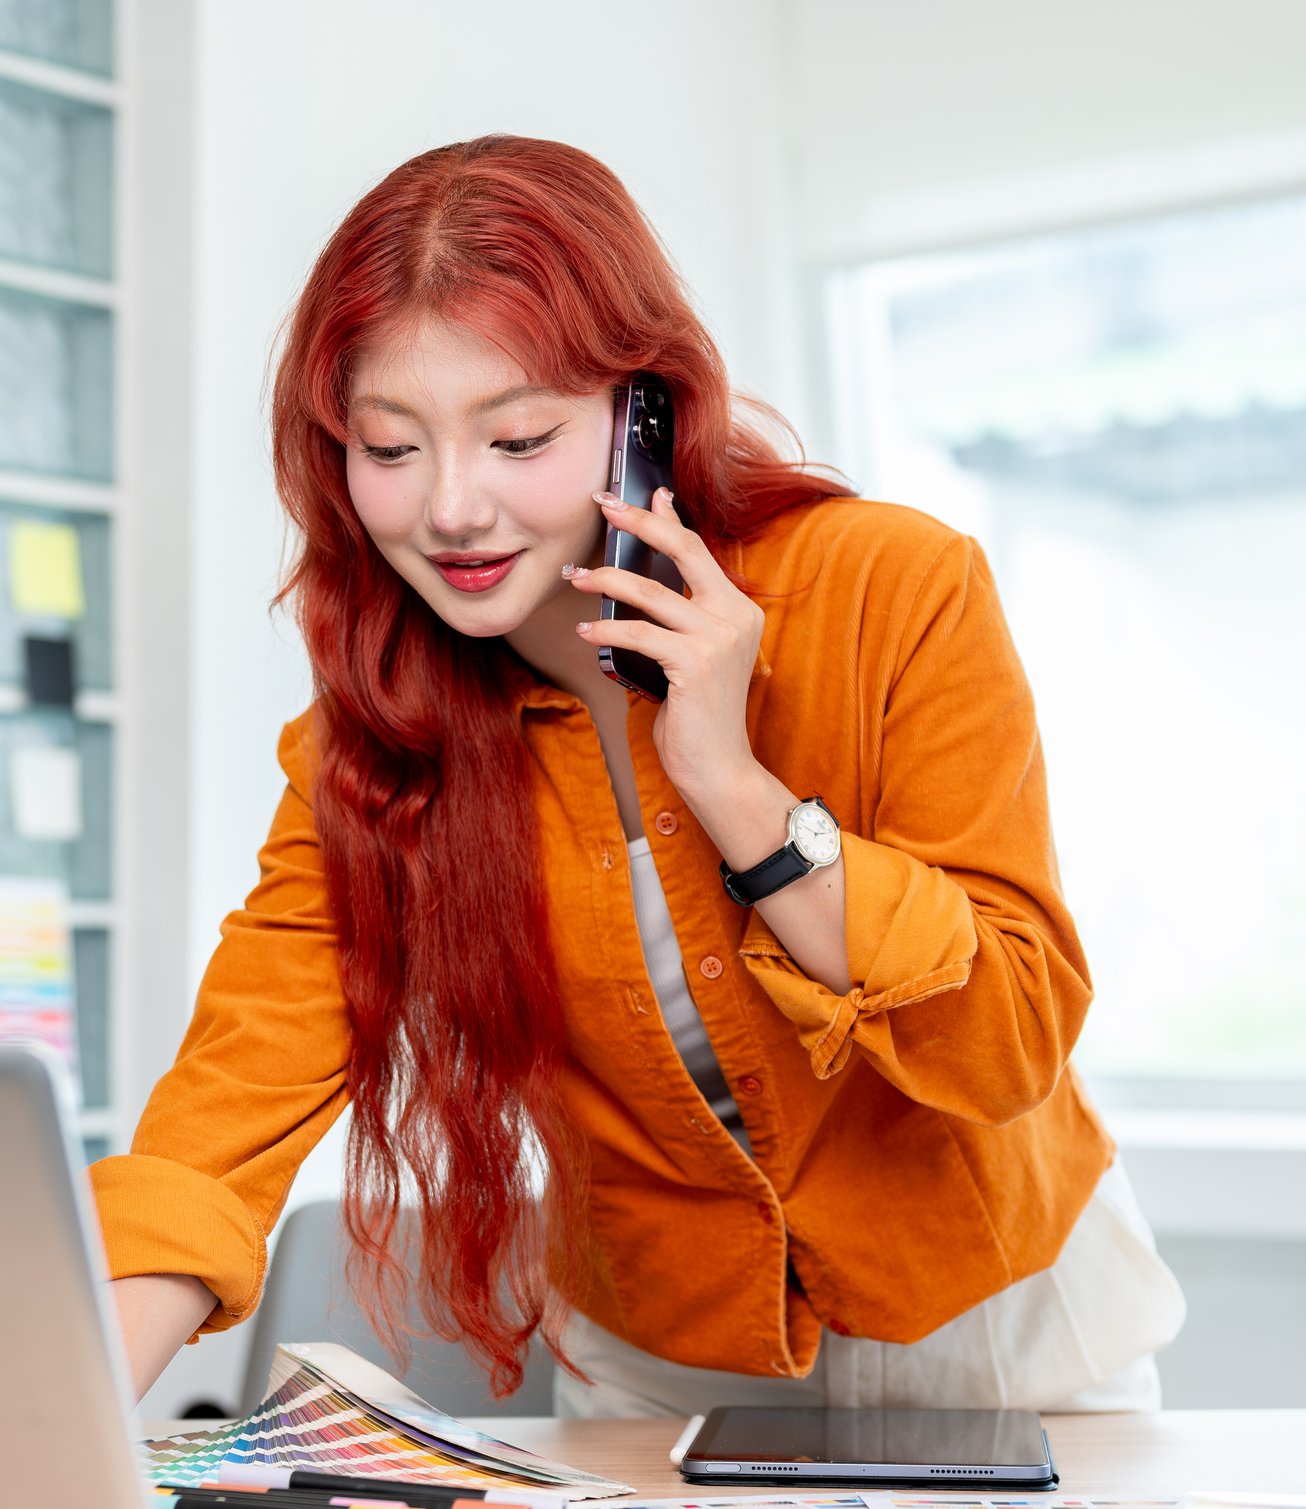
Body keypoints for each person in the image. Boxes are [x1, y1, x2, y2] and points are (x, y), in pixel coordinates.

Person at [91, 134, 1185, 1419]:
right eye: (390, 451)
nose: (451, 509)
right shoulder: (373, 742)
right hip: (666, 1358)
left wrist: (732, 786)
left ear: (644, 415)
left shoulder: (893, 590)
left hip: (994, 1319)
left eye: (518, 438)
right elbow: (221, 1123)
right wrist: (57, 1427)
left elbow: (1007, 1040)